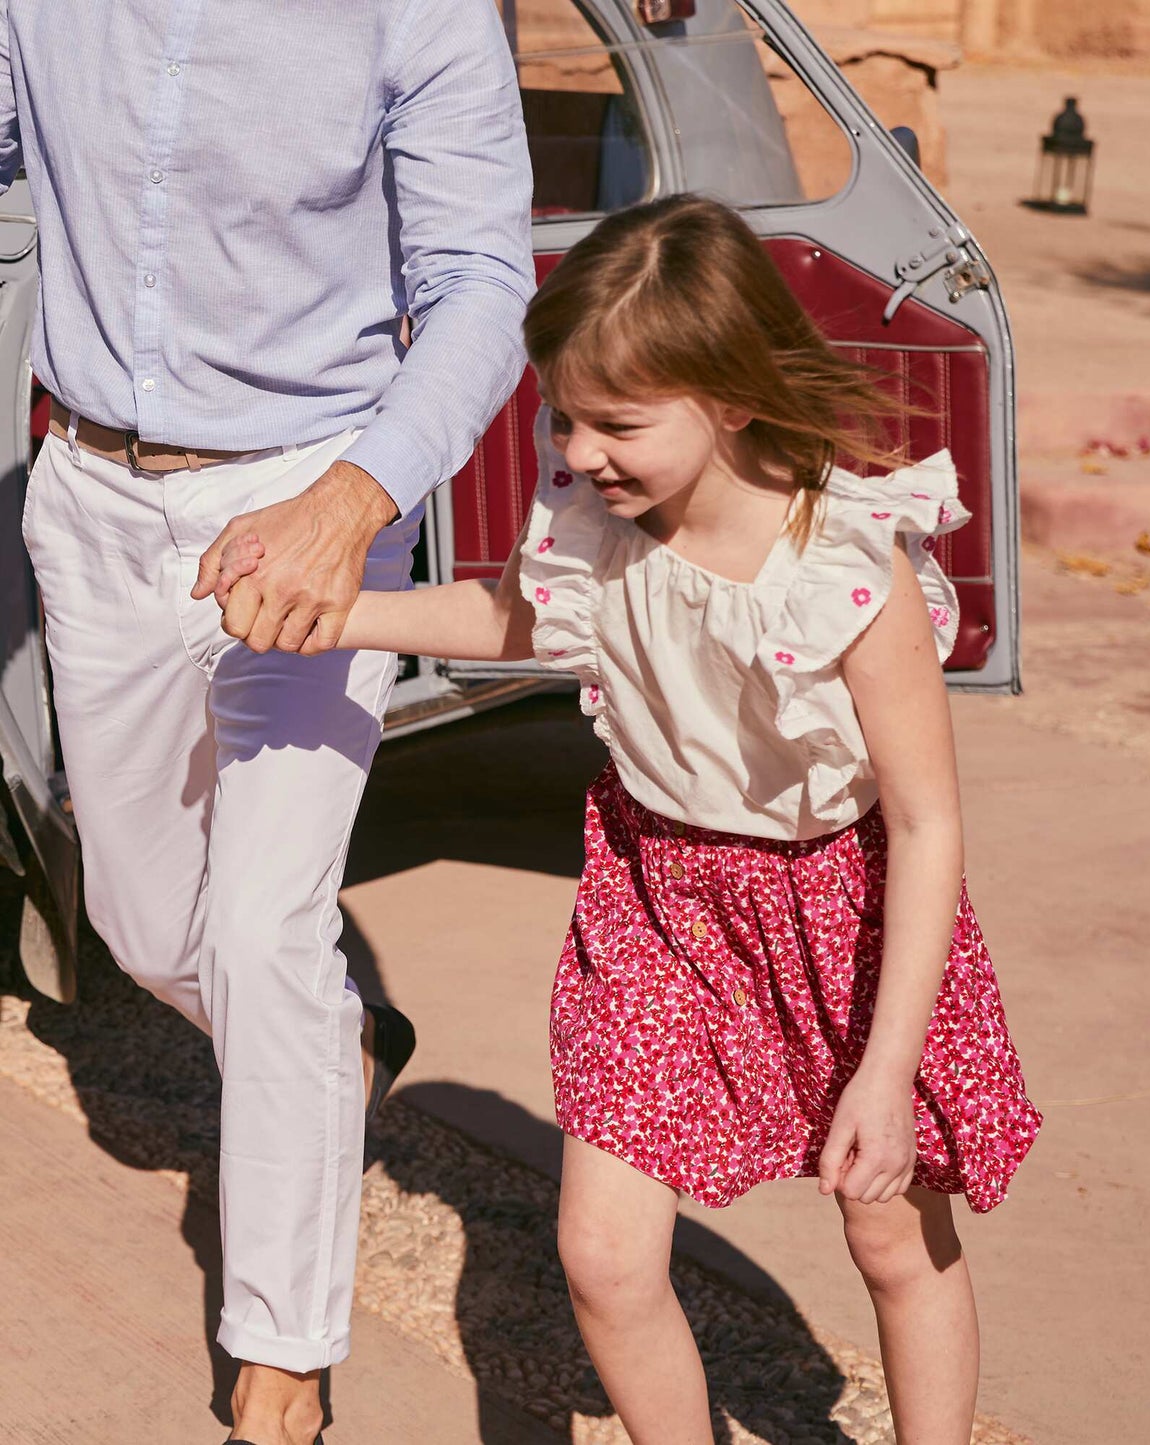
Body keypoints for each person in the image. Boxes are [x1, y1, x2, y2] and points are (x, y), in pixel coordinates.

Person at [215, 194, 1040, 1445]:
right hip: (653, 903)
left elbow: (925, 827)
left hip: (841, 910)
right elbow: (514, 618)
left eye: (617, 423)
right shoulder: (594, 529)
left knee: (889, 1233)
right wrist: (331, 613)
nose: (580, 449)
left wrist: (885, 1070)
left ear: (731, 396)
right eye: (563, 414)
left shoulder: (847, 569)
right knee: (602, 1257)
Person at [2, 2, 534, 1440]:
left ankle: (281, 1370)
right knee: (140, 925)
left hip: (309, 496)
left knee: (262, 935)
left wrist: (351, 502)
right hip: (92, 500)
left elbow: (481, 282)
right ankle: (332, 1051)